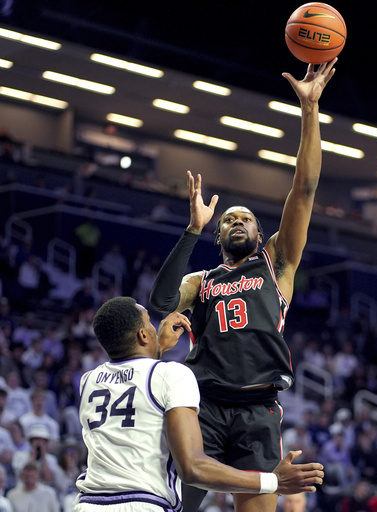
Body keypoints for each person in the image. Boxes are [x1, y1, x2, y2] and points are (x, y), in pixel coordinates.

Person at [149, 58, 337, 512]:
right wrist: (191, 229)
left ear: (259, 234)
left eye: (246, 218)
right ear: (218, 236)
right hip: (202, 404)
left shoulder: (277, 263)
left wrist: (309, 110)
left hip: (258, 409)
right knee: (175, 505)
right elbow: (160, 301)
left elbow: (306, 186)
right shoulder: (202, 279)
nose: (237, 221)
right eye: (228, 219)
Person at [72, 297, 324, 512]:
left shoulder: (88, 382)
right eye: (149, 321)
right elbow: (192, 469)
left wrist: (156, 348)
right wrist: (273, 482)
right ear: (142, 335)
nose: (154, 325)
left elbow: (135, 378)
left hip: (86, 503)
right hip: (143, 502)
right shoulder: (173, 375)